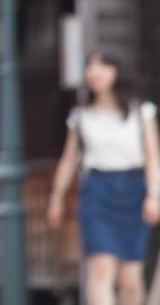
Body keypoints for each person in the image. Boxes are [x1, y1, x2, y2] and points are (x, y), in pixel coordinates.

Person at [48, 52, 160, 305]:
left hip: (134, 189)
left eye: (103, 66)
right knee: (100, 267)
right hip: (98, 191)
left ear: (117, 72)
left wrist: (154, 194)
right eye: (90, 66)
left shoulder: (141, 113)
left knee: (130, 277)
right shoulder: (81, 116)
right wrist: (57, 196)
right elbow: (69, 159)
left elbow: (153, 157)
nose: (95, 72)